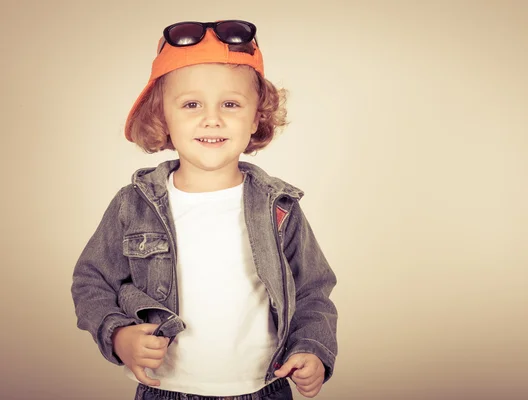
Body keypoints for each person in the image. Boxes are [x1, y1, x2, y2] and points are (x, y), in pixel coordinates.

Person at [71, 20, 338, 400]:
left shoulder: (279, 208)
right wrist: (117, 335)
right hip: (167, 390)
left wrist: (311, 348)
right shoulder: (134, 205)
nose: (211, 118)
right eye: (191, 104)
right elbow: (91, 282)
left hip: (264, 388)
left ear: (256, 117)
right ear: (162, 115)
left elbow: (313, 290)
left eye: (230, 104)